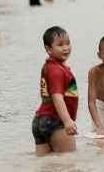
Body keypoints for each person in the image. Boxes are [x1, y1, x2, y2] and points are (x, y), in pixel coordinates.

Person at [32, 26, 79, 156]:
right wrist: (67, 121)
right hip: (55, 121)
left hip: (40, 120)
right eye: (60, 45)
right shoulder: (57, 71)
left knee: (46, 166)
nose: (66, 48)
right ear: (48, 49)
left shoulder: (49, 66)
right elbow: (57, 97)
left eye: (68, 43)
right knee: (69, 164)